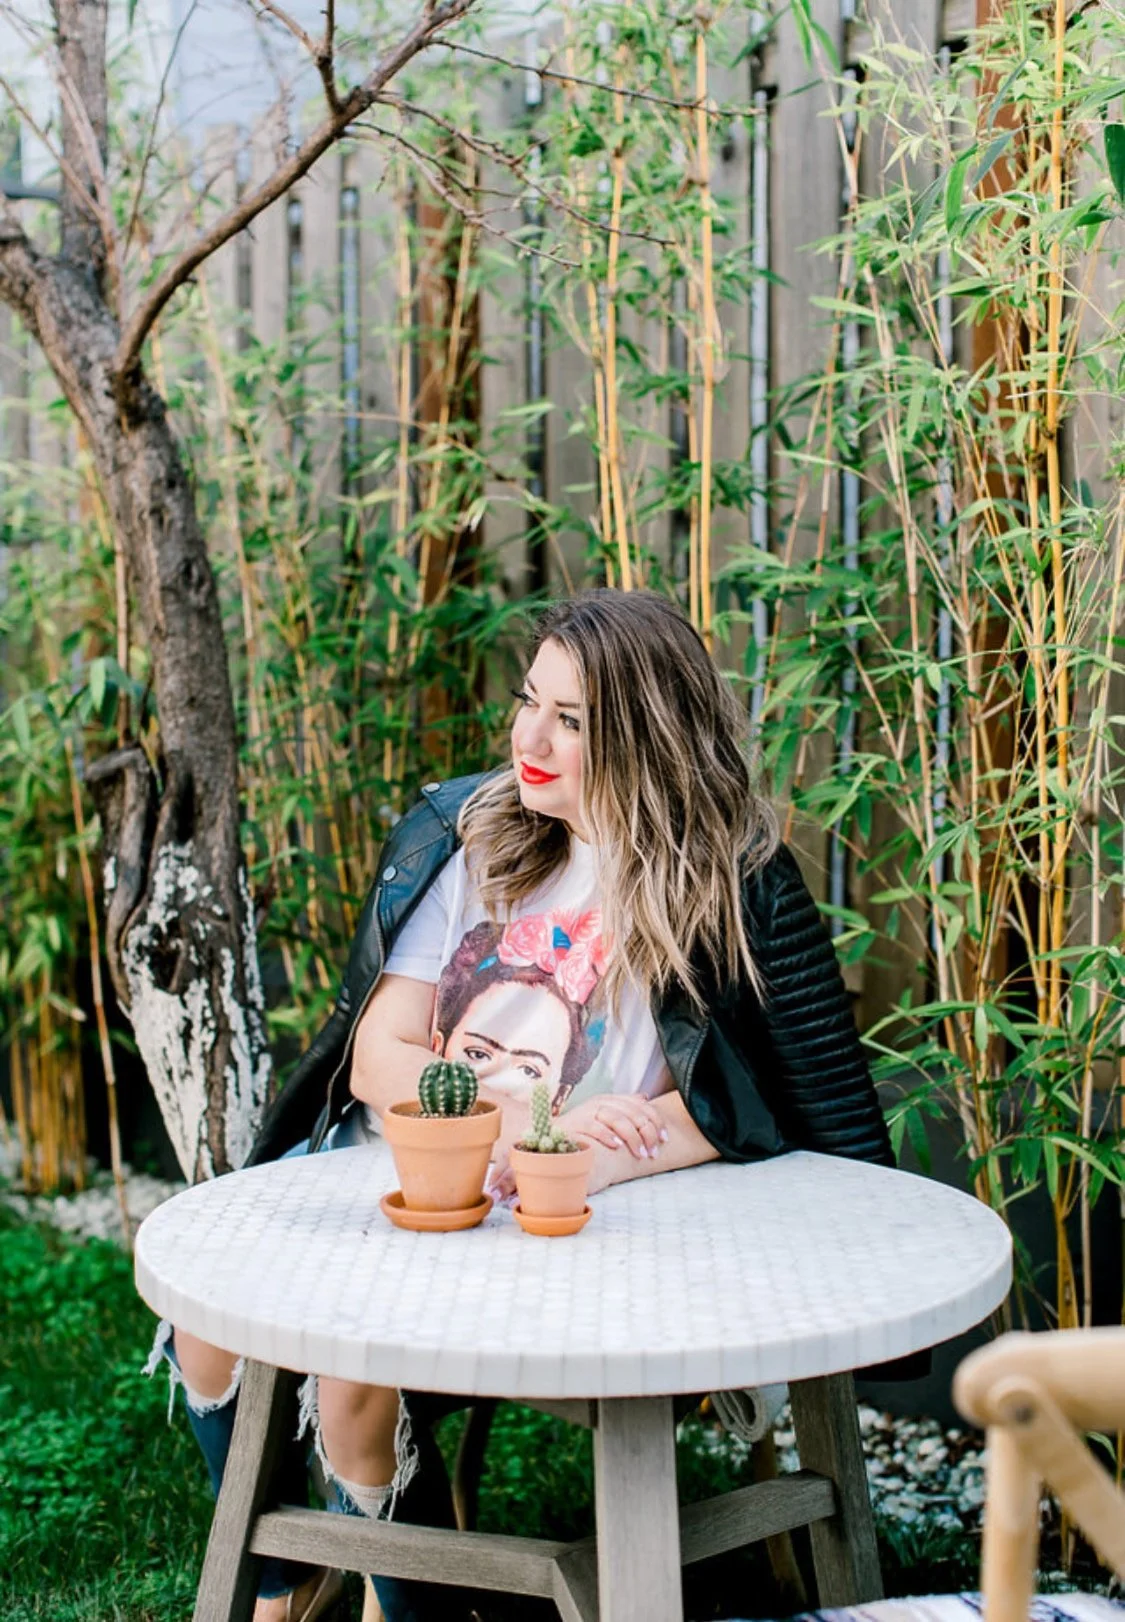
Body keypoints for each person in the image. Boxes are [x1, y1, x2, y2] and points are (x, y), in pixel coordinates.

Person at [150, 586, 895, 1622]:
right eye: (527, 701)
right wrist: (534, 1125)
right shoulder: (475, 838)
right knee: (204, 1327)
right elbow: (377, 1061)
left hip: (564, 1227)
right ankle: (285, 1580)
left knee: (351, 1384)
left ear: (648, 733)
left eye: (571, 719)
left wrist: (590, 1153)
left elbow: (755, 1110)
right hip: (396, 1170)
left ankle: (409, 1602)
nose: (529, 739)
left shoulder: (729, 887)